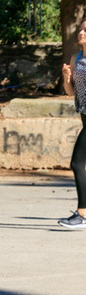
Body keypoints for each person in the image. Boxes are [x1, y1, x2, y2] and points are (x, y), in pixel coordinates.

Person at [57, 20, 86, 229]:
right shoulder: (75, 58)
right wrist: (67, 78)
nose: (81, 32)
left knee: (77, 163)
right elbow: (71, 93)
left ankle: (83, 214)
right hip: (84, 115)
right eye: (81, 28)